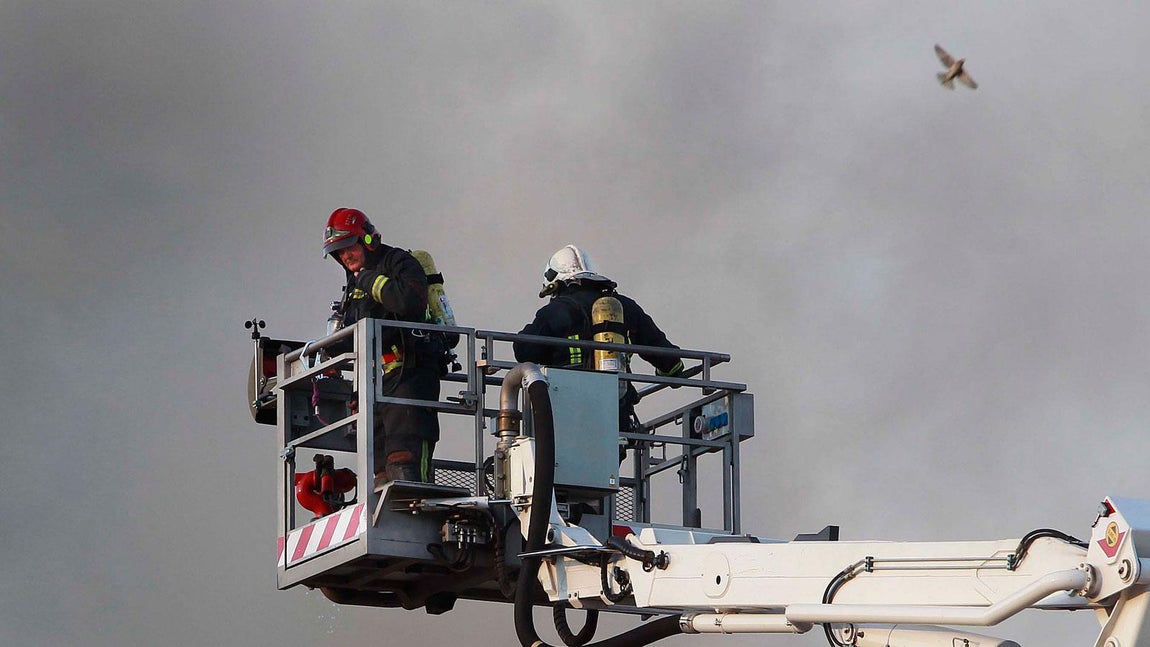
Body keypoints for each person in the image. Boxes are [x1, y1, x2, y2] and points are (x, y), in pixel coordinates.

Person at [513, 245, 684, 440]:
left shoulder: (555, 312)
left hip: (567, 415)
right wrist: (669, 373)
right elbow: (670, 361)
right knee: (606, 469)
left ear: (554, 284)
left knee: (562, 468)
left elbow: (523, 350)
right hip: (615, 417)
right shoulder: (625, 307)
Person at [322, 207, 442, 483]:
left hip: (410, 378)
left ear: (366, 240)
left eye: (348, 246)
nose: (345, 255)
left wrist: (369, 280)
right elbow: (357, 337)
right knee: (381, 472)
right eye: (339, 252)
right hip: (375, 385)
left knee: (405, 462)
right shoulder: (353, 287)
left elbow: (408, 302)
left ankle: (416, 510)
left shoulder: (398, 262)